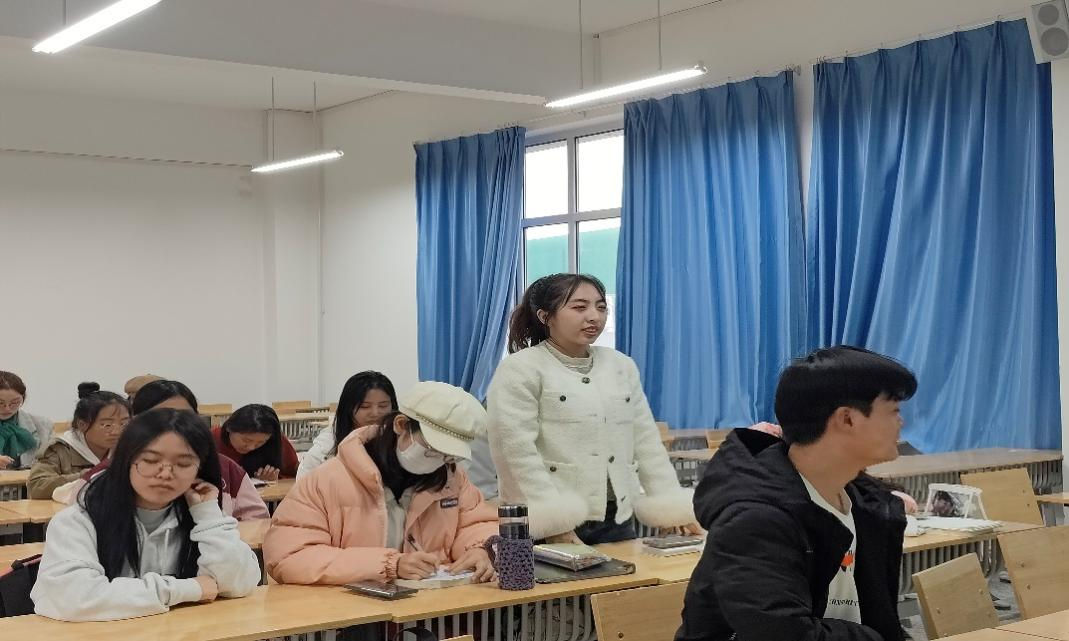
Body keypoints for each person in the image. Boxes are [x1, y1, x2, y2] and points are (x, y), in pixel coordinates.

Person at [676, 346, 917, 641]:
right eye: (893, 411)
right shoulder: (755, 519)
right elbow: (782, 634)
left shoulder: (863, 503)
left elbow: (877, 616)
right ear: (847, 419)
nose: (901, 422)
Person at [487, 273, 698, 543]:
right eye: (579, 307)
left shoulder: (620, 366)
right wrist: (554, 524)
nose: (594, 317)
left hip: (616, 516)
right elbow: (515, 452)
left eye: (601, 307)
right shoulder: (521, 369)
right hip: (546, 520)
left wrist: (671, 508)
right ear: (545, 317)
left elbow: (645, 440)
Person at [31, 408, 261, 621]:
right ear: (126, 460)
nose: (165, 474)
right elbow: (74, 598)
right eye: (150, 461)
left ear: (199, 468)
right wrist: (187, 589)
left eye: (183, 464)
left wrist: (207, 513)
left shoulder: (201, 517)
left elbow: (239, 583)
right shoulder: (78, 520)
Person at [265, 381, 497, 585]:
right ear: (401, 425)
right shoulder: (327, 482)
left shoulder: (452, 480)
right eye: (432, 449)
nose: (440, 461)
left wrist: (481, 549)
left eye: (449, 456)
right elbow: (289, 556)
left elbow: (478, 523)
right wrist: (389, 565)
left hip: (430, 611)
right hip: (351, 614)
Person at [56, 380, 269, 521]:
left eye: (185, 417)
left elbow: (256, 522)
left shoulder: (226, 470)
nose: (173, 426)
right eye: (159, 418)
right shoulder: (99, 481)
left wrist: (219, 530)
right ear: (135, 422)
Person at [28, 383, 129, 500]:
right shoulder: (59, 450)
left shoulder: (130, 448)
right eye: (107, 425)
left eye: (124, 424)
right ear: (82, 425)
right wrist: (85, 476)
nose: (117, 431)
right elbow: (36, 487)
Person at [296, 370, 397, 479]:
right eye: (365, 406)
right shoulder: (325, 449)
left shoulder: (401, 442)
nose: (375, 413)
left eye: (383, 406)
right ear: (348, 408)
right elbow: (302, 487)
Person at [212, 404, 299, 480]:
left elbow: (295, 472)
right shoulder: (213, 439)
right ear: (229, 428)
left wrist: (274, 480)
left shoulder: (274, 441)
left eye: (261, 442)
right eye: (246, 440)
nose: (251, 447)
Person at [0, 370, 53, 470]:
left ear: (23, 399)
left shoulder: (43, 425)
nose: (7, 408)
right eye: (0, 403)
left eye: (14, 402)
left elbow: (53, 462)